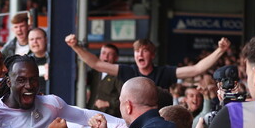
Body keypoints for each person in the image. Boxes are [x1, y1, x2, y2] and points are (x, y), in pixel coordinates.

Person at [65, 33, 230, 88]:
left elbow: (196, 69)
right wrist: (76, 47)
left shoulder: (164, 73)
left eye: (144, 51)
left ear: (152, 55)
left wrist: (220, 50)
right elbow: (96, 64)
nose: (139, 54)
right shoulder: (127, 71)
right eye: (137, 51)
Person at [86, 43, 122, 116]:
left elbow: (124, 100)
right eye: (103, 53)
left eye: (110, 54)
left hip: (109, 117)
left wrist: (108, 103)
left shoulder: (119, 75)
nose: (106, 56)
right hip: (91, 115)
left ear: (116, 58)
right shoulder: (94, 73)